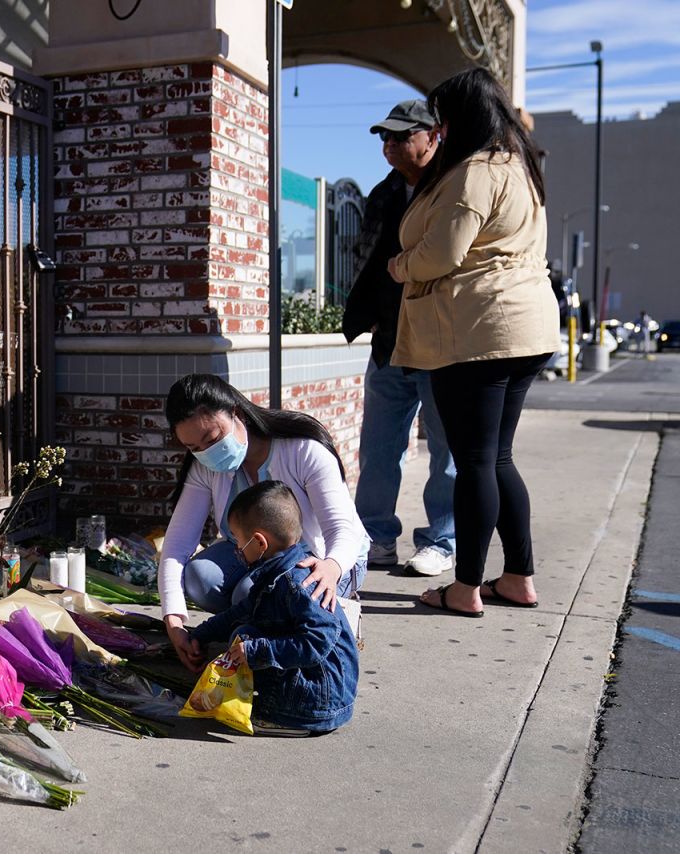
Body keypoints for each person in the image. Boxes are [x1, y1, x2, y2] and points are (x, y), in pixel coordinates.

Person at [387, 67, 558, 617]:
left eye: (442, 117)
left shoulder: (476, 172)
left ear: (461, 118)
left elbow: (442, 255)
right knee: (498, 458)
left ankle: (464, 589)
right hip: (526, 325)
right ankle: (517, 578)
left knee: (476, 461)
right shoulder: (522, 166)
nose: (438, 128)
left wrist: (399, 266)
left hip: (482, 329)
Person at [159, 374, 369, 670]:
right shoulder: (204, 469)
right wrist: (174, 618)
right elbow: (177, 545)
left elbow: (341, 530)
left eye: (214, 439)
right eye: (194, 448)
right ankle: (268, 621)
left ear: (237, 414)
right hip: (255, 555)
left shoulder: (303, 450)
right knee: (201, 578)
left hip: (324, 557)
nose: (206, 453)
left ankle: (316, 622)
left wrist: (332, 567)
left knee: (256, 594)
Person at [343, 99, 457, 577]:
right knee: (378, 448)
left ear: (433, 136)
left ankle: (442, 539)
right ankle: (375, 537)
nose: (389, 144)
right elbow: (365, 261)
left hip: (439, 339)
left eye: (401, 135)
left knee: (445, 451)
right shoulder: (382, 194)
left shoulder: (452, 187)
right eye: (384, 137)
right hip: (389, 340)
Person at [185, 481, 359, 735]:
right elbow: (244, 610)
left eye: (238, 540)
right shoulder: (275, 572)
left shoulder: (297, 583)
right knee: (244, 631)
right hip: (320, 692)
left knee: (247, 641)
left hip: (320, 698)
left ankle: (287, 716)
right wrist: (201, 634)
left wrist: (256, 652)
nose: (236, 548)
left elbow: (318, 641)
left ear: (259, 543)